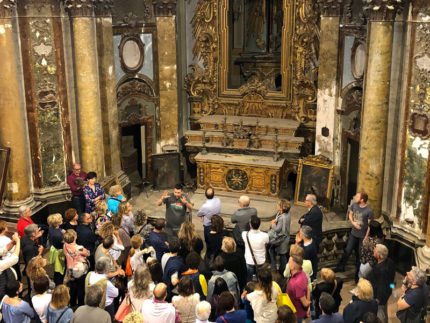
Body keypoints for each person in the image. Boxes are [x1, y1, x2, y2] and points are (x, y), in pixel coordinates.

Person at [335, 191, 373, 276]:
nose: (355, 197)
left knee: (359, 255)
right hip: (353, 234)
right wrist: (353, 223)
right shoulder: (354, 205)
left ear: (362, 200)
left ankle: (357, 274)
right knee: (347, 250)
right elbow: (350, 214)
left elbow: (370, 226)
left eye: (357, 196)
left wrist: (366, 237)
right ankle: (341, 267)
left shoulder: (369, 211)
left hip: (362, 236)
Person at [366, 244, 395, 323]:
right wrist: (391, 288)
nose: (373, 251)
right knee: (384, 311)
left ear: (379, 255)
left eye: (375, 250)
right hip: (387, 292)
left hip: (379, 297)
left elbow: (381, 286)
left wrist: (378, 300)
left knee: (380, 313)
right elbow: (392, 279)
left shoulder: (381, 270)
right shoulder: (390, 261)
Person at [64, 229, 90, 306]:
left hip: (70, 269)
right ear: (75, 237)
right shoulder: (79, 247)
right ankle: (80, 304)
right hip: (80, 270)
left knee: (72, 287)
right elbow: (87, 253)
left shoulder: (65, 245)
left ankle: (72, 303)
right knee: (80, 287)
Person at [243, 215, 269, 281]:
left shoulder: (244, 234)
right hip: (260, 260)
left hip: (249, 260)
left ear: (250, 225)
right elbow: (267, 243)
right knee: (260, 279)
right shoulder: (265, 235)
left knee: (249, 278)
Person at [268, 199, 291, 275]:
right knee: (281, 253)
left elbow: (277, 230)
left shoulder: (282, 217)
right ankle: (281, 270)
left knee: (281, 254)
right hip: (286, 237)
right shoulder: (287, 214)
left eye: (278, 205)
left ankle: (279, 270)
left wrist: (273, 224)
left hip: (281, 239)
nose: (276, 206)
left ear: (281, 208)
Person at [286, 255, 310, 323]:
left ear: (293, 267)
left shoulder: (297, 283)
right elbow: (307, 288)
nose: (288, 263)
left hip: (296, 313)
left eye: (289, 262)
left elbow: (305, 303)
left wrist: (308, 306)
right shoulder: (302, 272)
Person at [47, 213, 66, 285]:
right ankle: (59, 284)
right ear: (57, 222)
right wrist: (64, 234)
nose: (62, 219)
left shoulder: (51, 227)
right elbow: (63, 243)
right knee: (59, 269)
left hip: (54, 247)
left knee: (57, 269)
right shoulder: (58, 235)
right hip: (59, 252)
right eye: (61, 218)